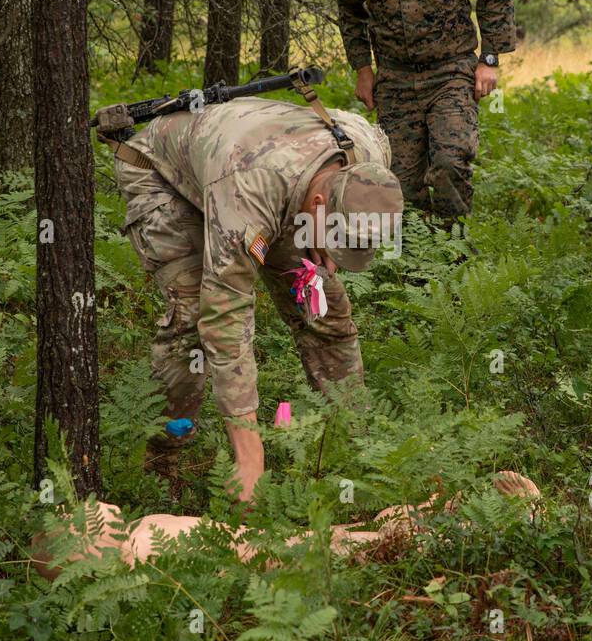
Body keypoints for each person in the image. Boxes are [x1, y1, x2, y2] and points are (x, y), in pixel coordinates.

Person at [97, 95, 403, 501]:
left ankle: (360, 442)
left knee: (324, 305)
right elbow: (227, 314)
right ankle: (161, 467)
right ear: (318, 207)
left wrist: (323, 249)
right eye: (333, 239)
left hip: (265, 181)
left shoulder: (370, 157)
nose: (334, 256)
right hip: (164, 175)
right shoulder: (250, 194)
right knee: (192, 318)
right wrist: (250, 457)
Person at [336, 0, 517, 227]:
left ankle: (454, 259)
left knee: (451, 163)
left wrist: (490, 58)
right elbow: (349, 12)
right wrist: (362, 69)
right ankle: (415, 271)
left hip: (450, 72)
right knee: (400, 182)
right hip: (395, 80)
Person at [31, 471, 541, 576]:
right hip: (277, 561)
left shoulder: (141, 528)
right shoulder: (139, 550)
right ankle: (502, 530)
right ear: (86, 546)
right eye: (80, 514)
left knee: (363, 529)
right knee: (372, 544)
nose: (95, 504)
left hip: (273, 544)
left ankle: (440, 518)